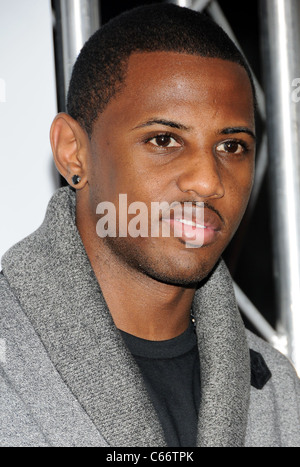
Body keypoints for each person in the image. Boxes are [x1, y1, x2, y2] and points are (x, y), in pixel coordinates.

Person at [0, 3, 299, 448]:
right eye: (164, 140)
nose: (208, 181)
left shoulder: (275, 386)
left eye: (232, 146)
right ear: (72, 152)